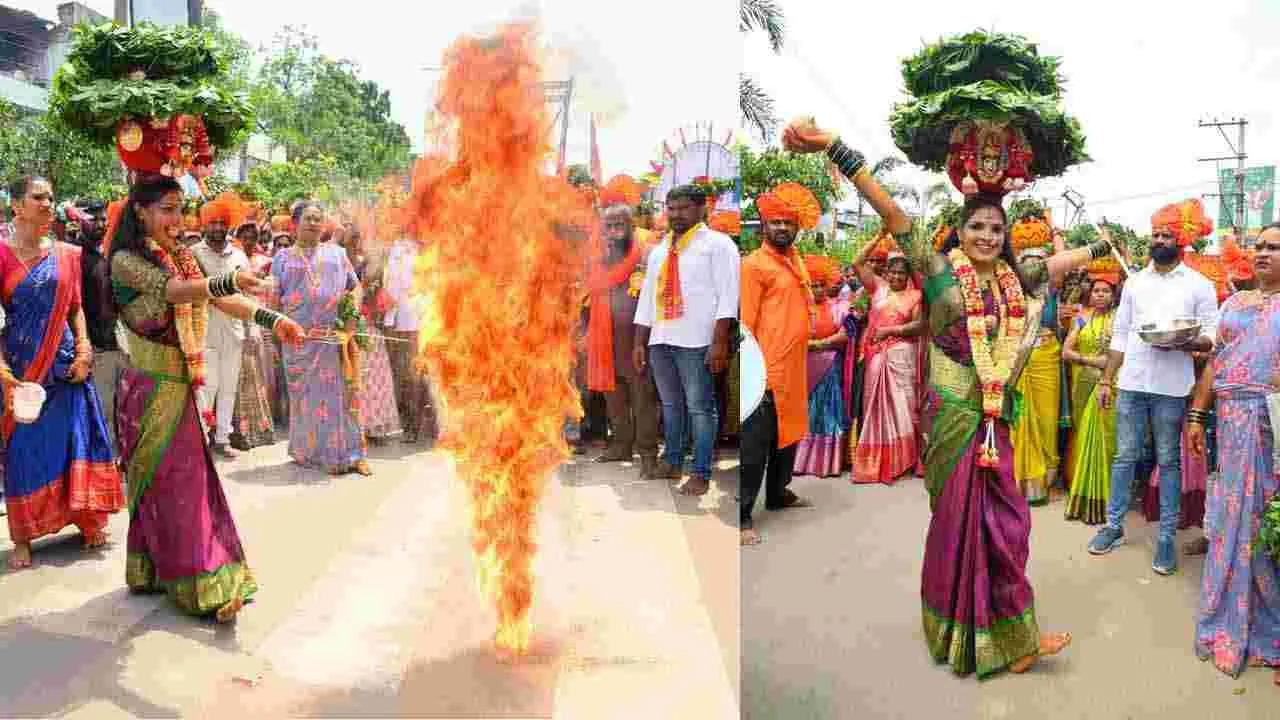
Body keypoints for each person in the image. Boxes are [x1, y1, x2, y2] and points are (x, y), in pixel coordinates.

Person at [785, 117, 1114, 676]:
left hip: (997, 420)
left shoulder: (1016, 279)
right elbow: (891, 213)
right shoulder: (936, 271)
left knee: (1010, 523)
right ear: (960, 234)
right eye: (977, 227)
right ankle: (979, 635)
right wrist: (834, 148)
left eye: (995, 229)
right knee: (957, 523)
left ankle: (1010, 630)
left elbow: (1058, 263)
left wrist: (1099, 246)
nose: (986, 236)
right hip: (952, 416)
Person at [109, 173, 304, 620]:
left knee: (186, 484)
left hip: (178, 385)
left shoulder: (180, 256)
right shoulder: (124, 260)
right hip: (148, 389)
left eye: (180, 209)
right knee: (168, 484)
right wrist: (227, 280)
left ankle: (191, 575)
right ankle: (195, 582)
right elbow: (174, 293)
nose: (177, 219)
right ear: (141, 211)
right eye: (167, 209)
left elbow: (219, 299)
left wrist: (274, 319)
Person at [1087, 199, 1218, 577]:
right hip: (1132, 382)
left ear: (1180, 241)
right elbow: (1122, 335)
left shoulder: (1200, 285)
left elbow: (1210, 336)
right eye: (1155, 234)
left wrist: (1186, 343)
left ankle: (1165, 538)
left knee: (1169, 461)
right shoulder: (1135, 282)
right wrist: (1107, 379)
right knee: (1124, 457)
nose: (1159, 240)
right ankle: (1113, 526)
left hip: (1173, 387)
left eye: (1166, 235)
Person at [1, 176, 123, 570]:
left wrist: (85, 349)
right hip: (22, 374)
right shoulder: (1, 256)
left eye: (51, 197)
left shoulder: (68, 254)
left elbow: (75, 308)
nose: (47, 203)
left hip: (68, 364)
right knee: (23, 451)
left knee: (77, 442)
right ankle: (23, 537)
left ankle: (88, 521)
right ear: (16, 206)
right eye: (38, 197)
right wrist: (3, 373)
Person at [1186, 222, 1280, 682]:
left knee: (1268, 522)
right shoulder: (1235, 303)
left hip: (1273, 427)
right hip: (1232, 424)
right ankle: (1228, 619)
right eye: (1259, 246)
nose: (1262, 253)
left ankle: (1271, 628)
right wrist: (1196, 416)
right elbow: (1215, 365)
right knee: (1232, 522)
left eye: (1274, 248)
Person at [633, 184, 739, 496]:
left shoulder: (718, 245)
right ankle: (673, 461)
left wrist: (719, 342)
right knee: (670, 405)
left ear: (701, 208)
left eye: (683, 208)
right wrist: (640, 341)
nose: (676, 214)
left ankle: (701, 472)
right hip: (661, 339)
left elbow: (728, 297)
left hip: (698, 340)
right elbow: (647, 299)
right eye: (672, 208)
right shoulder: (659, 250)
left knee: (700, 409)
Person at [739, 182, 818, 546]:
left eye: (788, 222)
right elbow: (745, 323)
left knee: (788, 438)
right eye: (775, 222)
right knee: (755, 446)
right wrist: (751, 374)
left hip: (794, 371)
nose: (782, 228)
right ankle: (741, 518)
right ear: (763, 225)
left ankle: (778, 493)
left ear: (797, 227)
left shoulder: (794, 261)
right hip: (766, 373)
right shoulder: (754, 265)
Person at [273, 201, 372, 476]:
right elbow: (273, 300)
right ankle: (309, 453)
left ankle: (352, 454)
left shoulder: (338, 254)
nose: (315, 223)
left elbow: (355, 288)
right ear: (295, 223)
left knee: (343, 396)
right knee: (306, 400)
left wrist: (351, 318)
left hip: (334, 340)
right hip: (298, 342)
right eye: (308, 218)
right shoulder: (282, 258)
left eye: (319, 218)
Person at [587, 202, 659, 477]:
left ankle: (648, 455)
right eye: (610, 227)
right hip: (605, 343)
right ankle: (620, 445)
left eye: (621, 226)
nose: (615, 232)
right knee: (614, 398)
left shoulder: (648, 255)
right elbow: (587, 298)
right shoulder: (598, 260)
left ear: (632, 226)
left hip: (637, 342)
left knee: (642, 400)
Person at [847, 242, 924, 485]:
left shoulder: (915, 296)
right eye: (893, 272)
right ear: (886, 272)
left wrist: (891, 330)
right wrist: (878, 237)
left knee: (904, 407)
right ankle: (877, 460)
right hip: (876, 355)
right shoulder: (877, 288)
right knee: (875, 407)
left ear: (908, 275)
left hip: (902, 356)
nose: (897, 277)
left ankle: (903, 459)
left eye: (902, 273)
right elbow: (857, 261)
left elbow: (919, 325)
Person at [191, 195, 251, 458]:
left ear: (228, 225)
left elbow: (249, 295)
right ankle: (202, 438)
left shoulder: (238, 256)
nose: (216, 228)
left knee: (229, 387)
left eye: (221, 223)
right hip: (203, 331)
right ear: (204, 225)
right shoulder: (193, 254)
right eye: (211, 223)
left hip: (234, 330)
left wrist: (253, 331)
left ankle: (222, 438)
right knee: (207, 387)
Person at [1010, 227, 1067, 505]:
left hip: (1046, 356)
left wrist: (1055, 234)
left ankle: (1045, 477)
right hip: (1018, 358)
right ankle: (1017, 478)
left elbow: (1065, 260)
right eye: (1026, 264)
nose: (1032, 269)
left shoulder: (1050, 290)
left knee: (1046, 420)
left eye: (1037, 264)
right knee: (1018, 417)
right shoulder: (1010, 292)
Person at [1061, 270, 1121, 523]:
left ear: (1113, 295)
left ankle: (1106, 496)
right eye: (1096, 291)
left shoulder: (1118, 320)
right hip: (1083, 383)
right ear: (1090, 293)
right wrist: (1090, 360)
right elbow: (1066, 351)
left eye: (1105, 291)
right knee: (1081, 434)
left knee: (1105, 438)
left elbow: (1119, 353)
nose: (1099, 295)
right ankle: (1082, 489)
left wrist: (1103, 366)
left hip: (1108, 384)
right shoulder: (1082, 318)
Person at [792, 253, 858, 478]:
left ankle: (825, 464)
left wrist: (818, 344)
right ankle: (799, 461)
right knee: (803, 413)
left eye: (821, 285)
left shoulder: (839, 307)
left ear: (829, 285)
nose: (817, 290)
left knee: (827, 412)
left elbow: (845, 335)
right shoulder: (797, 307)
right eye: (813, 285)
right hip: (803, 366)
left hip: (829, 366)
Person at [347, 227, 402, 443]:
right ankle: (361, 425)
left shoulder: (381, 284)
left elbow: (387, 307)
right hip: (360, 335)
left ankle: (374, 424)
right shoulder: (355, 279)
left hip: (372, 336)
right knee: (363, 380)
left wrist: (376, 309)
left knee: (374, 381)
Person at [228, 221, 276, 451]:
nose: (249, 241)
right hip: (235, 319)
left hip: (254, 320)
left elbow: (270, 287)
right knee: (238, 376)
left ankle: (259, 428)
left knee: (255, 374)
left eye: (252, 237)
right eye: (244, 236)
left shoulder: (264, 261)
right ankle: (239, 431)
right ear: (238, 238)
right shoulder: (232, 258)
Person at [382, 233, 435, 444]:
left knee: (417, 375)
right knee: (402, 375)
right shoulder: (393, 246)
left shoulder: (427, 247)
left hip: (420, 319)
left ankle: (418, 424)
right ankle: (409, 423)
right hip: (395, 319)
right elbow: (388, 283)